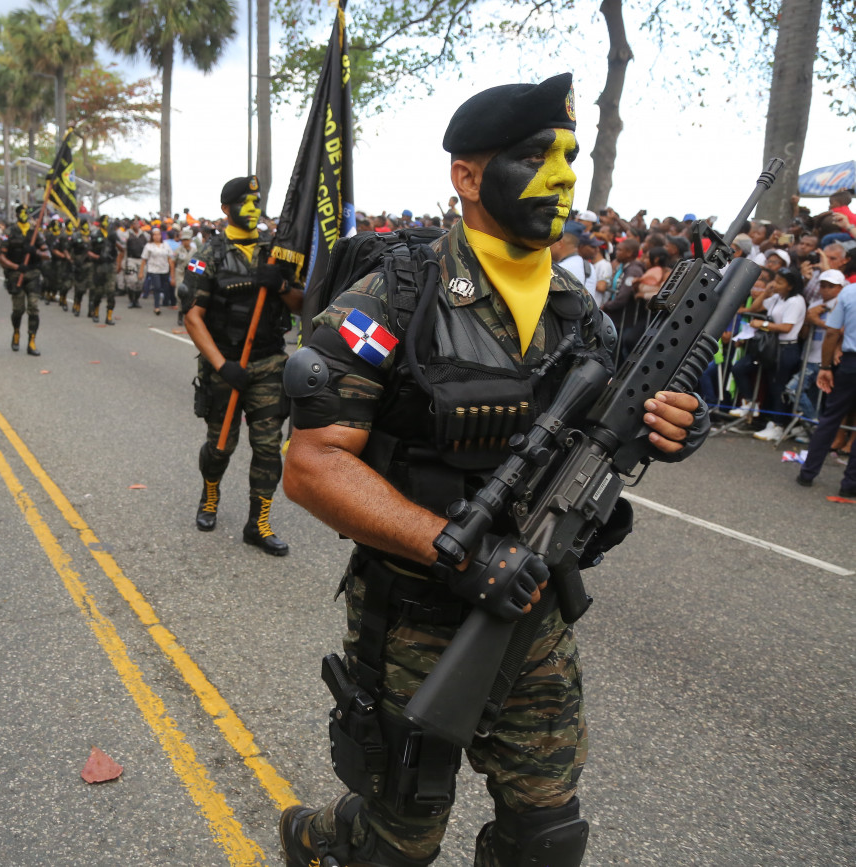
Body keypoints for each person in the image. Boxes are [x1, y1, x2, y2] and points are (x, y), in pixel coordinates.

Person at [277, 73, 707, 867]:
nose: (564, 177)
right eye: (537, 157)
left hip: (536, 612)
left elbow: (602, 442)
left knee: (545, 840)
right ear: (467, 177)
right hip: (414, 617)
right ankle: (319, 835)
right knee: (398, 842)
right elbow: (311, 464)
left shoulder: (583, 315)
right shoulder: (392, 300)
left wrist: (672, 424)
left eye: (571, 157)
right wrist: (459, 550)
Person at [183, 175, 304, 556]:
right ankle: (210, 495)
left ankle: (258, 523)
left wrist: (282, 287)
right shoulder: (208, 255)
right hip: (225, 365)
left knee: (268, 447)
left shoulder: (277, 254)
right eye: (244, 202)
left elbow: (302, 305)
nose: (253, 208)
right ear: (226, 209)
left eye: (256, 201)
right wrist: (222, 366)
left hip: (269, 363)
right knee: (221, 446)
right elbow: (192, 317)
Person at [731, 268, 807, 441]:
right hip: (770, 347)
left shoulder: (796, 301)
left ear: (790, 286)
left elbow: (787, 327)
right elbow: (755, 307)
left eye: (780, 282)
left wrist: (763, 324)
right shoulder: (777, 297)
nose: (776, 285)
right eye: (775, 280)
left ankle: (777, 424)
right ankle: (750, 402)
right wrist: (766, 292)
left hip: (786, 348)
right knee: (740, 368)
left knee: (778, 387)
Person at [797, 276, 856, 496]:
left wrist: (825, 366)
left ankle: (807, 473)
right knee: (831, 418)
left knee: (830, 418)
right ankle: (850, 485)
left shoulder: (849, 292)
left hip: (850, 362)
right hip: (848, 358)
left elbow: (832, 331)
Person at [0, 203, 48, 356]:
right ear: (17, 214)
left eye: (27, 212)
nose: (25, 215)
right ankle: (16, 332)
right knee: (18, 310)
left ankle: (31, 341)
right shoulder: (9, 232)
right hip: (16, 275)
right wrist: (16, 266)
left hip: (33, 274)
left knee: (33, 307)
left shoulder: (35, 232)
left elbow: (47, 255)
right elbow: (1, 257)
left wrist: (35, 252)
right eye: (22, 212)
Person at [88, 214, 119, 324]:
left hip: (110, 266)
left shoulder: (113, 234)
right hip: (99, 267)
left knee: (111, 291)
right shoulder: (95, 234)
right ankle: (95, 313)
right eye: (105, 221)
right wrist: (97, 257)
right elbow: (88, 250)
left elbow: (120, 247)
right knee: (99, 292)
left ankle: (109, 316)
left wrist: (118, 262)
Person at [139, 226, 174, 315]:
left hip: (164, 269)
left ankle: (166, 302)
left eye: (158, 234)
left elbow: (170, 259)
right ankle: (157, 306)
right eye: (155, 235)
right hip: (154, 270)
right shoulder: (149, 246)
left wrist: (172, 274)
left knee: (166, 287)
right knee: (157, 287)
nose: (157, 236)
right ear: (152, 236)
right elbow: (144, 260)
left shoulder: (165, 245)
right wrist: (141, 272)